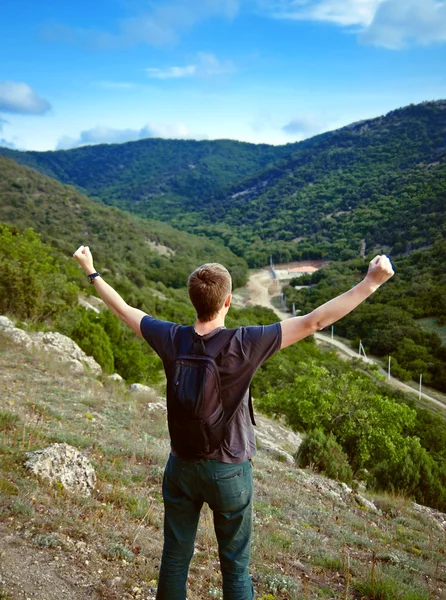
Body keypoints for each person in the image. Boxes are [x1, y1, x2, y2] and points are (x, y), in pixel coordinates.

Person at [73, 246, 394, 600]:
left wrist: (91, 270)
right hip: (229, 471)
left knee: (175, 557)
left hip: (181, 464)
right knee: (235, 567)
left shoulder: (172, 338)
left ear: (193, 300)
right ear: (227, 302)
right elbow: (314, 321)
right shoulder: (245, 343)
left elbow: (123, 310)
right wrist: (371, 283)